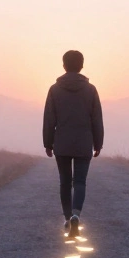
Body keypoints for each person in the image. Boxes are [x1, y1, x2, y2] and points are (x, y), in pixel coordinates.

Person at [42, 50, 104, 236]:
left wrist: (48, 143)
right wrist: (98, 143)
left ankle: (67, 218)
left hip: (61, 143)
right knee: (80, 181)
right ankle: (77, 214)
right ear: (82, 65)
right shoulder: (91, 90)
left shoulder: (54, 89)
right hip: (84, 142)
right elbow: (97, 119)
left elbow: (49, 119)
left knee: (65, 182)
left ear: (63, 65)